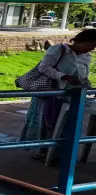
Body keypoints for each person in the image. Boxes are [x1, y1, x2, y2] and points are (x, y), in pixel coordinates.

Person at [18, 30, 96, 160]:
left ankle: (56, 153)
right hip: (50, 93)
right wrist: (64, 76)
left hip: (70, 96)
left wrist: (88, 87)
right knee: (45, 123)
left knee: (63, 124)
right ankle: (40, 151)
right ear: (81, 42)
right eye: (91, 45)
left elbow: (83, 77)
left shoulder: (87, 57)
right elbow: (44, 67)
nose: (92, 49)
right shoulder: (59, 50)